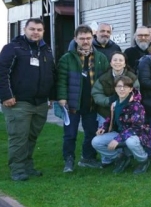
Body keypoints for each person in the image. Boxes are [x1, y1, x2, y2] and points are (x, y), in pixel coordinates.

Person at [0, 19, 56, 181]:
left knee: (32, 137)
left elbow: (51, 74)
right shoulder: (13, 48)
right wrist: (6, 96)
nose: (35, 32)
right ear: (25, 29)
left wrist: (51, 96)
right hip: (18, 102)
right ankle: (17, 170)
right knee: (19, 137)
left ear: (43, 32)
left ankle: (27, 166)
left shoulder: (46, 50)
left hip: (40, 103)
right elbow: (2, 73)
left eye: (39, 29)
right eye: (32, 29)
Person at [58, 25, 110, 172]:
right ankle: (68, 160)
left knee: (92, 133)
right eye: (82, 38)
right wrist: (62, 98)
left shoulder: (101, 58)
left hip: (92, 104)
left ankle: (88, 158)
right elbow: (61, 80)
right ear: (75, 39)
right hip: (72, 104)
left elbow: (106, 80)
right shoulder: (67, 58)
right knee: (70, 134)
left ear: (92, 38)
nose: (85, 41)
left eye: (88, 38)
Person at [91, 76, 151, 174]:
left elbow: (137, 127)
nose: (122, 89)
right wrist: (103, 127)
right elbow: (110, 118)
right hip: (120, 133)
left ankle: (143, 161)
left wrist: (117, 139)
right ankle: (121, 158)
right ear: (115, 89)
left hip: (137, 135)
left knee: (130, 142)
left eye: (125, 86)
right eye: (119, 86)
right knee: (96, 141)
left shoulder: (136, 105)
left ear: (131, 89)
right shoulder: (115, 103)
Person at [92, 52, 140, 122]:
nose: (117, 62)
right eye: (115, 60)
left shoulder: (132, 77)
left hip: (126, 113)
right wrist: (109, 101)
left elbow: (137, 94)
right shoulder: (103, 78)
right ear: (111, 63)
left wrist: (123, 102)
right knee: (105, 132)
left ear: (124, 64)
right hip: (106, 113)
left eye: (120, 60)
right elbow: (96, 94)